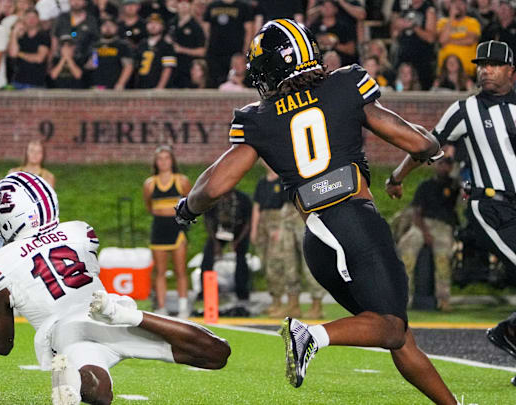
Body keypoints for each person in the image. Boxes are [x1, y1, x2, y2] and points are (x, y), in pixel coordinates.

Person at [174, 19, 456, 403]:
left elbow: (216, 184)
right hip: (353, 225)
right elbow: (415, 141)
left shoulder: (259, 117)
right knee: (390, 328)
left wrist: (187, 208)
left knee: (395, 333)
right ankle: (312, 335)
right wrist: (425, 150)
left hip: (319, 239)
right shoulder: (345, 84)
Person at [0, 172, 230, 405]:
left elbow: (1, 344)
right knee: (217, 353)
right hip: (103, 313)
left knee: (100, 394)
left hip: (64, 331)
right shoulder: (80, 231)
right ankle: (129, 316)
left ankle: (70, 377)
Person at [386, 40, 516, 371]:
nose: (485, 70)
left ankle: (510, 333)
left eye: (494, 64)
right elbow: (426, 145)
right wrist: (397, 177)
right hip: (491, 206)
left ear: (511, 71)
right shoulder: (465, 110)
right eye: (481, 64)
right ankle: (509, 332)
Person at [251, 162, 326, 319]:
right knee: (288, 264)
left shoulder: (297, 176)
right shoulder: (271, 180)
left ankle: (316, 306)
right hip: (286, 224)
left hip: (303, 221)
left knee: (309, 263)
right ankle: (293, 306)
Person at [396, 157, 460, 312]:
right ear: (436, 166)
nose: (444, 168)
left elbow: (461, 182)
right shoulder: (425, 186)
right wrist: (425, 233)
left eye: (447, 165)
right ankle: (403, 300)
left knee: (443, 260)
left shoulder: (453, 186)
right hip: (422, 224)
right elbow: (417, 212)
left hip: (443, 227)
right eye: (441, 164)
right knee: (406, 256)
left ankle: (443, 300)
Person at [143, 146, 191, 317]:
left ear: (172, 161)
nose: (163, 162)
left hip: (177, 227)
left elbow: (190, 204)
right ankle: (161, 308)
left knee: (180, 270)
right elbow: (149, 206)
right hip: (159, 228)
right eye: (160, 159)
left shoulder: (182, 181)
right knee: (160, 271)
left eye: (167, 158)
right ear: (156, 162)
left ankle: (183, 308)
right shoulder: (149, 184)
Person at [200, 188, 252, 307]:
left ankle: (242, 292)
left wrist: (237, 241)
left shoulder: (242, 198)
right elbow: (208, 221)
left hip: (239, 231)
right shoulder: (213, 198)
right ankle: (205, 292)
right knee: (208, 256)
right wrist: (216, 244)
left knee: (241, 257)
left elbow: (248, 222)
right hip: (218, 232)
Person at [203, 0, 253, 87]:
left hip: (235, 52)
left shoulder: (243, 7)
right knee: (215, 80)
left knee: (235, 81)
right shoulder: (212, 6)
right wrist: (206, 47)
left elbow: (249, 30)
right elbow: (206, 29)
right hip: (215, 52)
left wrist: (245, 51)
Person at [390, 0, 437, 90]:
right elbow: (393, 35)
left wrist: (413, 26)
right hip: (403, 56)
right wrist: (398, 26)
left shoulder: (428, 10)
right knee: (399, 87)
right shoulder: (403, 9)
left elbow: (431, 38)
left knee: (421, 89)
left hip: (422, 59)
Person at [437, 0, 481, 78]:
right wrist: (451, 17)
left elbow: (470, 40)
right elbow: (442, 40)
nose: (458, 6)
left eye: (461, 3)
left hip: (467, 72)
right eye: (455, 3)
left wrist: (449, 40)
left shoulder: (472, 22)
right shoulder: (442, 22)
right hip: (445, 73)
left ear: (466, 6)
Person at [167, 0, 205, 89]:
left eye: (186, 3)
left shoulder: (196, 27)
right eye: (181, 3)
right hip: (172, 67)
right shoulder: (171, 23)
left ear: (190, 6)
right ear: (177, 5)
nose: (183, 6)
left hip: (188, 68)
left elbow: (202, 51)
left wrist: (182, 49)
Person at [89, 16, 134, 90]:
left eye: (111, 26)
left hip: (115, 86)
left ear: (116, 28)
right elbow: (94, 65)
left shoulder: (122, 46)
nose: (108, 28)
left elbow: (128, 66)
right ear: (100, 28)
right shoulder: (95, 46)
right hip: (98, 86)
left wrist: (120, 83)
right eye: (105, 25)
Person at [8, 9, 50, 90]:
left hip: (36, 82)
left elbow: (39, 58)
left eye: (34, 17)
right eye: (28, 17)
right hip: (18, 81)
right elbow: (12, 53)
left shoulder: (43, 36)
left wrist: (19, 54)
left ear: (38, 19)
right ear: (24, 19)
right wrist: (14, 32)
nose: (31, 20)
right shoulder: (20, 37)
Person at [134, 13, 176, 89]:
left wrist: (160, 87)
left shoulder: (167, 46)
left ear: (162, 26)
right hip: (141, 86)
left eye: (156, 23)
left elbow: (168, 68)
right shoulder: (142, 44)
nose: (153, 26)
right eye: (150, 23)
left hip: (157, 87)